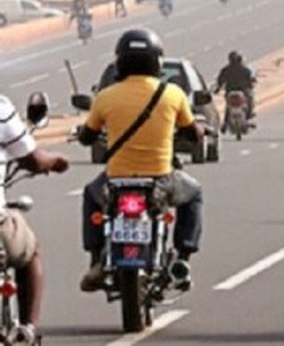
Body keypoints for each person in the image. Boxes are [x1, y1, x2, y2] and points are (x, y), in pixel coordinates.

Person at [78, 29, 205, 292]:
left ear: (120, 61)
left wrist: (87, 133)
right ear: (157, 62)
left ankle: (95, 261)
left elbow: (87, 136)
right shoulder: (173, 94)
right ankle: (182, 258)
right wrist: (199, 131)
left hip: (115, 181)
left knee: (91, 195)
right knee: (193, 195)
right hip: (162, 179)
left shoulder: (105, 97)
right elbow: (193, 133)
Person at [0, 94, 70, 343]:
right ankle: (27, 329)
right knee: (30, 252)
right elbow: (33, 160)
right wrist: (57, 161)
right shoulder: (1, 107)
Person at [216, 51, 257, 121]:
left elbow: (220, 80)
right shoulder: (245, 69)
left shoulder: (226, 70)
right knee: (250, 97)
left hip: (231, 91)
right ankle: (249, 114)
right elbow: (251, 79)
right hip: (242, 91)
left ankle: (225, 123)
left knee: (228, 105)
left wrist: (218, 88)